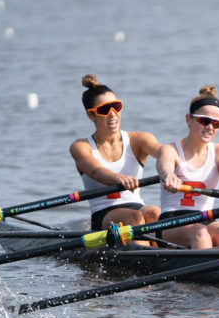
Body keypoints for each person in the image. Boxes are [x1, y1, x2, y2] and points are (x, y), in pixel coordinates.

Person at [69, 74, 162, 233]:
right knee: (135, 218)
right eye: (105, 110)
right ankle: (149, 255)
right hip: (103, 215)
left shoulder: (139, 140)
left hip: (137, 207)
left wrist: (174, 167)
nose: (113, 114)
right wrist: (118, 178)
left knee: (156, 213)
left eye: (116, 107)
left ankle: (169, 251)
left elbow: (163, 153)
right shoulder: (80, 147)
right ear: (91, 115)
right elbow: (96, 171)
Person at [156, 85, 219, 248]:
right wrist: (169, 176)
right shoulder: (170, 149)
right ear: (189, 119)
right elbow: (165, 166)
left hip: (206, 219)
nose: (210, 127)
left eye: (216, 123)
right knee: (199, 232)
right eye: (204, 121)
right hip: (171, 222)